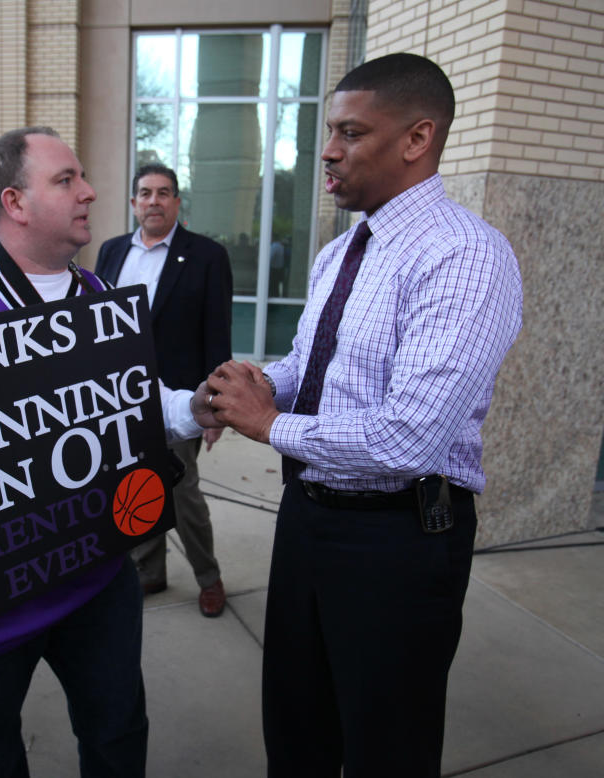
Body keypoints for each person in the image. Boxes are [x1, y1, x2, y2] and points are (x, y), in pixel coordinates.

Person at [195, 53, 523, 777]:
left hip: (401, 540)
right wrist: (243, 383)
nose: (329, 152)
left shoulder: (465, 256)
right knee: (297, 726)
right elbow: (317, 367)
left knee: (386, 747)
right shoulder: (343, 250)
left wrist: (268, 423)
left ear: (417, 138)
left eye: (350, 132)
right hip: (310, 517)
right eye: (328, 132)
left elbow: (409, 438)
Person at [0, 127, 203, 778]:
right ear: (16, 202)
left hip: (94, 576)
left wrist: (194, 407)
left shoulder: (102, 304)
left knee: (116, 732)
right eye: (66, 180)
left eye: (81, 177)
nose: (89, 192)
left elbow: (137, 402)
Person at [96, 164, 232, 616]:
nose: (153, 201)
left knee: (182, 490)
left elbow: (217, 333)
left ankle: (208, 577)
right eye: (145, 193)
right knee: (135, 484)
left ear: (176, 202)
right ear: (134, 202)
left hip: (180, 398)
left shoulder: (207, 256)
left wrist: (217, 403)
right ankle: (150, 570)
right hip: (120, 393)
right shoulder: (112, 251)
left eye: (163, 193)